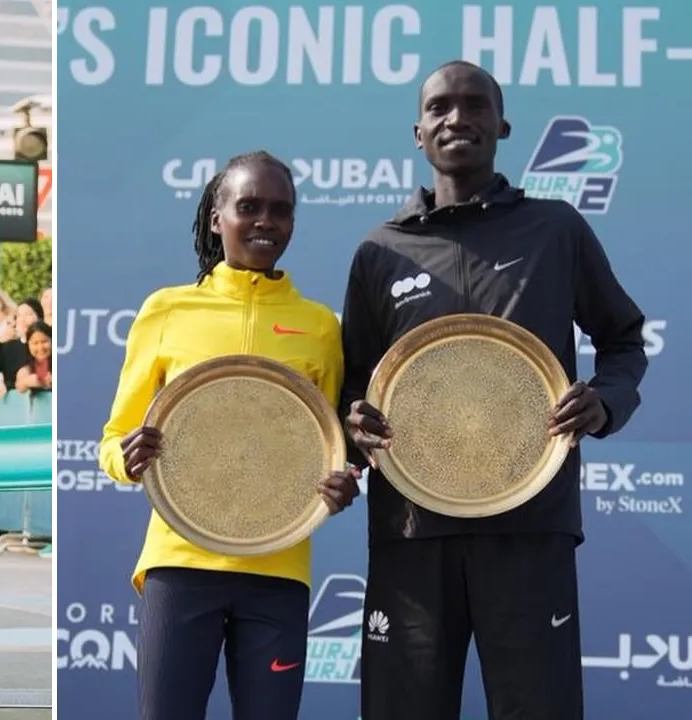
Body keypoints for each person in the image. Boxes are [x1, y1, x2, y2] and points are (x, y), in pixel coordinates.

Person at [339, 61, 648, 720]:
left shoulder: (555, 230)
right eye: (441, 108)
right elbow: (354, 388)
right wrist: (354, 426)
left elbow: (623, 340)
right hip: (411, 532)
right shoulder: (379, 251)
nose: (458, 118)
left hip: (530, 527)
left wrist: (605, 401)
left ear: (501, 125)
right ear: (417, 133)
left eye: (475, 105)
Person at [98, 151, 362, 720]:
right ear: (217, 218)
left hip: (279, 569)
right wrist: (128, 459)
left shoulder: (319, 327)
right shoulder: (167, 309)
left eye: (281, 210)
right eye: (249, 207)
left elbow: (332, 446)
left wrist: (342, 485)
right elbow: (115, 438)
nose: (266, 221)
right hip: (180, 562)